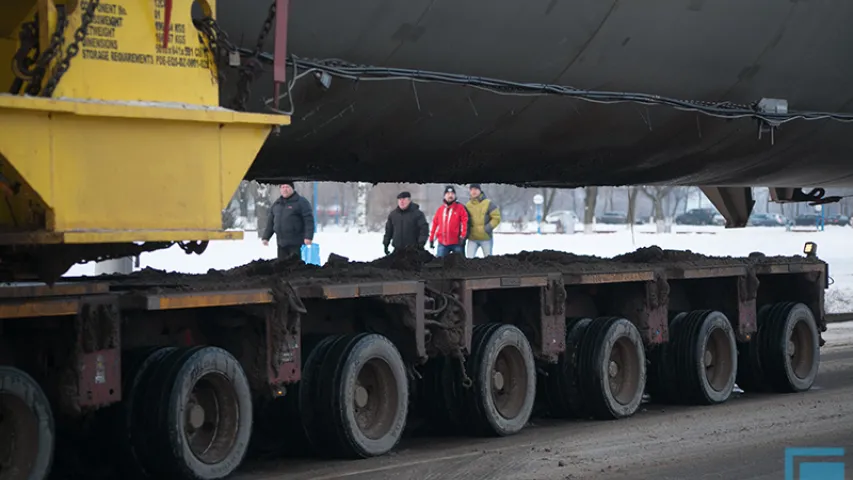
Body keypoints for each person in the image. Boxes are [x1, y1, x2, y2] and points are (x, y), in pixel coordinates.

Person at [261, 182, 315, 260]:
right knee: (282, 266)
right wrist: (266, 237)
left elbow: (308, 220)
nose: (285, 189)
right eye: (282, 187)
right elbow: (271, 222)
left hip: (296, 243)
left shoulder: (301, 202)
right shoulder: (277, 204)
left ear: (292, 188)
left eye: (287, 187)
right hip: (281, 243)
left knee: (295, 266)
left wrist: (308, 237)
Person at [429, 185, 468, 257]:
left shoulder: (460, 208)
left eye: (452, 194)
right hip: (442, 244)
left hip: (456, 243)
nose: (450, 195)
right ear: (444, 196)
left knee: (460, 265)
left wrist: (462, 237)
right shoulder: (440, 209)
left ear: (455, 195)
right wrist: (431, 239)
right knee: (440, 264)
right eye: (448, 194)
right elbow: (435, 225)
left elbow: (464, 222)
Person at [465, 183, 501, 258]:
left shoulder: (488, 203)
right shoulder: (467, 205)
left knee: (488, 262)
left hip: (486, 239)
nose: (474, 191)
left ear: (480, 190)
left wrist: (486, 228)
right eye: (472, 189)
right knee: (468, 261)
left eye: (476, 189)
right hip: (472, 239)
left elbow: (496, 218)